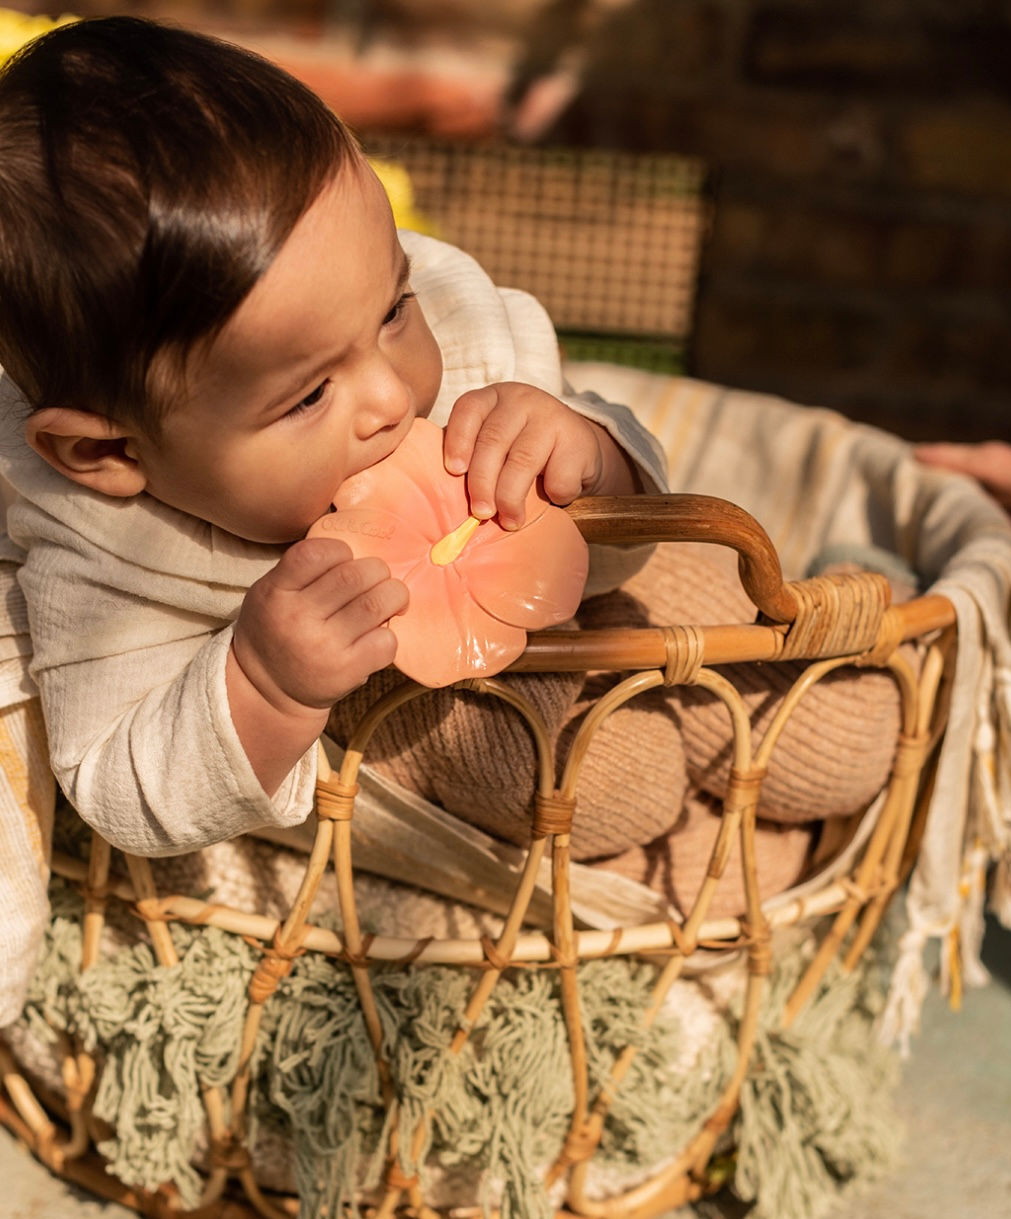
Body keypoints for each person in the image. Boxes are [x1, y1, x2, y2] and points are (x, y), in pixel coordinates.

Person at [0, 15, 666, 855]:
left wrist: (589, 456)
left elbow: (641, 524)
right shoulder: (107, 553)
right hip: (459, 754)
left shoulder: (438, 346)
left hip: (619, 631)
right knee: (619, 792)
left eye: (393, 311)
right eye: (310, 395)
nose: (390, 397)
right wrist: (264, 685)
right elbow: (118, 785)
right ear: (111, 454)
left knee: (818, 704)